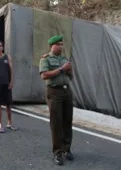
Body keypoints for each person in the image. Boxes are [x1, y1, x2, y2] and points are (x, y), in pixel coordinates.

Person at [39, 35, 74, 166]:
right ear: (51, 46)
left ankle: (67, 148)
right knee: (56, 122)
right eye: (58, 44)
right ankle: (57, 152)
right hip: (54, 92)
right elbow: (44, 75)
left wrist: (70, 71)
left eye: (61, 44)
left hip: (67, 91)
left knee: (67, 120)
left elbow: (71, 76)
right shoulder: (45, 59)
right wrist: (61, 69)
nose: (61, 46)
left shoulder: (65, 59)